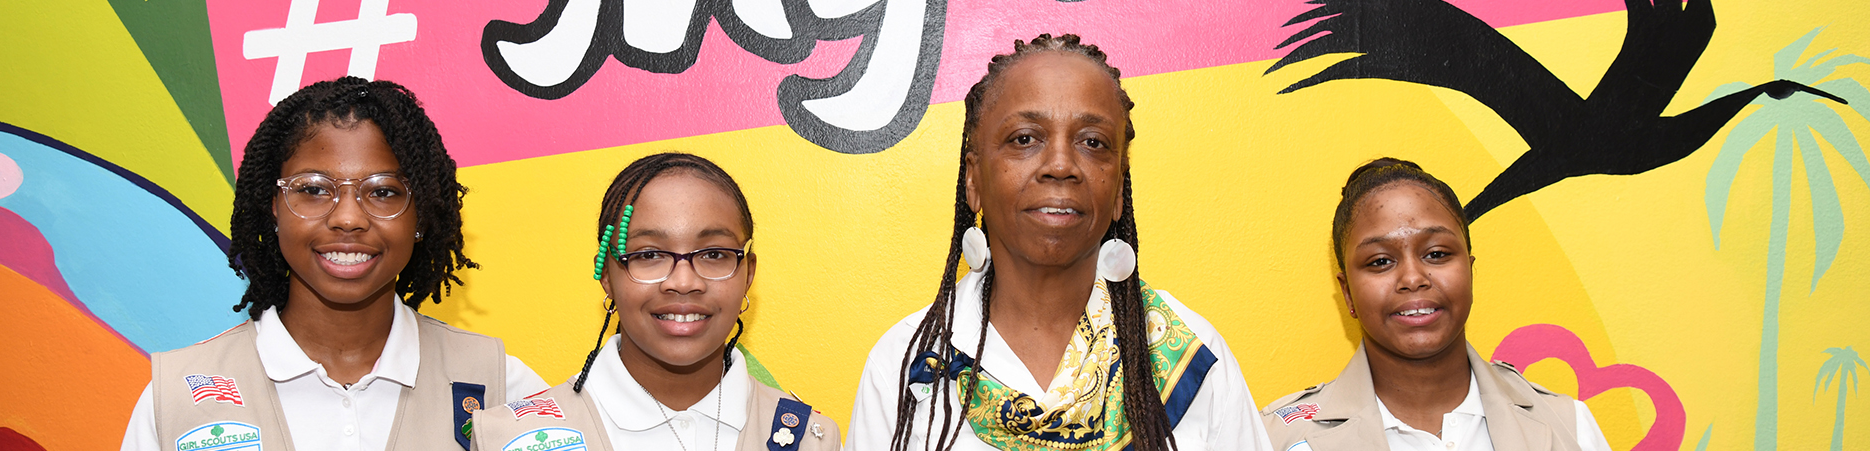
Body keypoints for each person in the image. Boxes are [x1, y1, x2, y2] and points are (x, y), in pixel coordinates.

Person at [845, 34, 1271, 451]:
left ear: (1119, 189)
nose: (1061, 165)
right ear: (973, 180)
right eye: (1025, 139)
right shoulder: (909, 367)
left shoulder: (1188, 355)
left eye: (1093, 143)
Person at [119, 76, 548, 451]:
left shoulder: (500, 388)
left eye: (382, 192)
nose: (347, 218)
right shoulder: (176, 399)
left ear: (422, 215)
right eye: (313, 189)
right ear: (274, 207)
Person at [469, 152, 840, 451]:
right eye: (648, 255)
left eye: (713, 254)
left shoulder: (810, 437)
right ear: (606, 275)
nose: (683, 282)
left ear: (748, 274)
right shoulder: (508, 438)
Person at [1260, 158, 1611, 451]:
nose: (1413, 278)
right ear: (1348, 293)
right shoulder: (1279, 440)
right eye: (1380, 261)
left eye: (1437, 254)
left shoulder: (1567, 426)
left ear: (1470, 272)